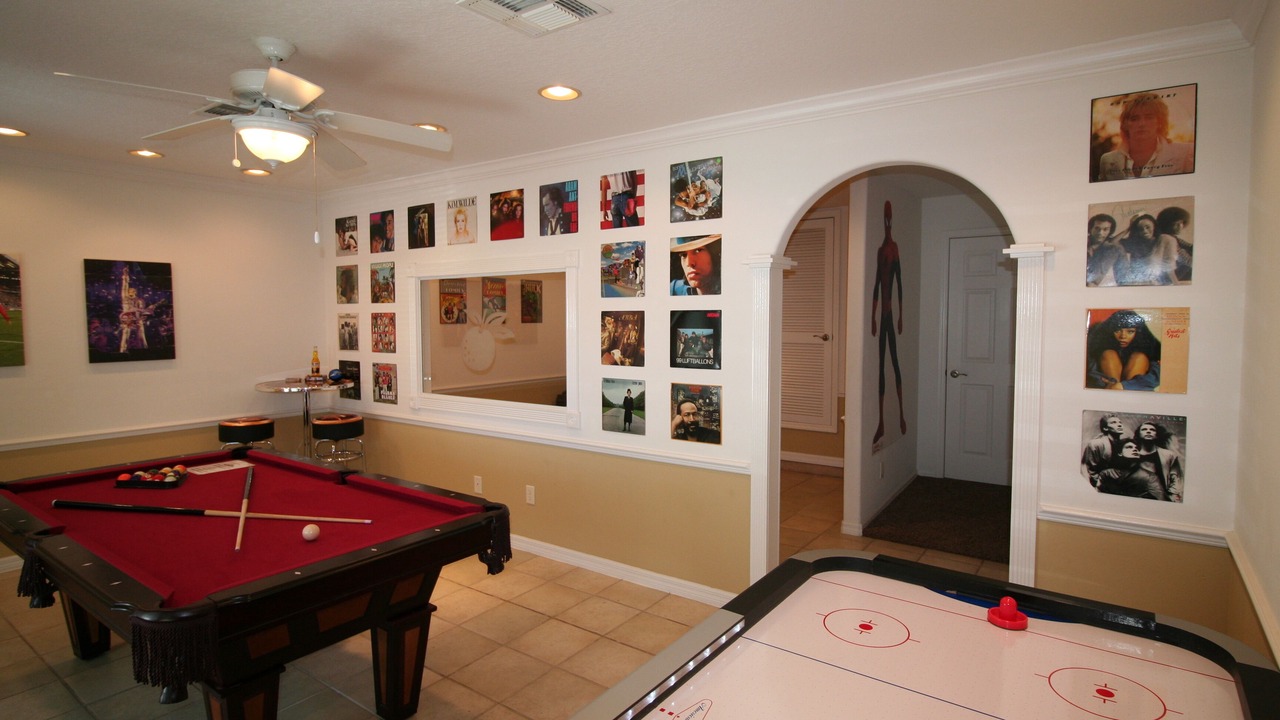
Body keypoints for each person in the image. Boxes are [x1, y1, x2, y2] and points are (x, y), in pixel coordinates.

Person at [1096, 93, 1195, 181]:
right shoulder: (1108, 160)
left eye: (1149, 117)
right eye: (1134, 118)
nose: (1142, 124)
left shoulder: (1185, 153)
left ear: (1160, 122)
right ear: (1125, 124)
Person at [871, 201, 906, 443]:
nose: (887, 223)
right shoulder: (880, 251)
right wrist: (872, 317)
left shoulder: (894, 249)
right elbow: (875, 286)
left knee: (894, 363)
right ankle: (881, 422)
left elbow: (900, 284)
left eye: (889, 218)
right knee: (881, 366)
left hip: (890, 315)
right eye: (885, 218)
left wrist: (901, 315)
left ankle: (902, 415)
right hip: (881, 318)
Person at [1085, 309, 1161, 390]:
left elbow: (1156, 376)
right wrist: (1111, 384)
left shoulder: (1146, 352)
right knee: (1108, 354)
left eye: (1130, 332)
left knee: (1140, 357)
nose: (1123, 336)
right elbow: (1089, 374)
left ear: (1138, 332)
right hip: (1107, 389)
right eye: (1117, 331)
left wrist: (1123, 386)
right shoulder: (1101, 351)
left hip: (1134, 390)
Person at [1115, 213, 1177, 285]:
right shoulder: (1134, 244)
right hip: (1134, 284)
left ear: (1154, 226)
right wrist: (1129, 228)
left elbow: (1169, 268)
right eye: (1140, 229)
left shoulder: (1165, 240)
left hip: (1154, 284)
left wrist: (1177, 286)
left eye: (1147, 227)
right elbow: (1112, 244)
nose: (1145, 231)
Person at [1081, 414, 1129, 488]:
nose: (1119, 425)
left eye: (1120, 423)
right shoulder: (1096, 444)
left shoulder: (1124, 444)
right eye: (1114, 422)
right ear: (1105, 428)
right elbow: (1090, 470)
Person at [1085, 213, 1126, 286]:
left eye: (1105, 229)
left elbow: (1123, 276)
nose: (1100, 233)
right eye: (1097, 228)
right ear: (1090, 228)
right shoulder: (1080, 244)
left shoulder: (1116, 249)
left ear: (1110, 231)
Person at [1154, 205, 1193, 282]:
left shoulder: (1174, 238)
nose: (1180, 226)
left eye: (1181, 223)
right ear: (1168, 225)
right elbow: (1188, 261)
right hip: (1170, 278)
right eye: (1176, 224)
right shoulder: (1167, 239)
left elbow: (1189, 246)